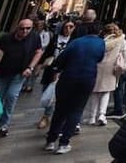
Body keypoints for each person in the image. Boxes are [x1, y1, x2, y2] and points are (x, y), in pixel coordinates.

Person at [44, 22, 105, 155]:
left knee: (60, 110)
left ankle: (50, 141)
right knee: (76, 110)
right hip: (87, 78)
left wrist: (57, 69)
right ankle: (64, 143)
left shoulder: (76, 42)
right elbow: (100, 58)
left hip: (68, 77)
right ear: (99, 32)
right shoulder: (101, 43)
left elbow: (61, 58)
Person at [0, 19, 43, 139]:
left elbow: (38, 52)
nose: (25, 31)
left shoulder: (34, 37)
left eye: (28, 28)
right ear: (17, 28)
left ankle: (3, 126)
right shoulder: (6, 38)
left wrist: (30, 67)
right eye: (22, 28)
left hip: (19, 74)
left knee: (11, 97)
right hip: (2, 73)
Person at [83, 23, 126, 126]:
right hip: (111, 68)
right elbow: (125, 54)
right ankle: (102, 115)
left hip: (98, 66)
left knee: (94, 92)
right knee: (106, 92)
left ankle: (92, 117)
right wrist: (124, 66)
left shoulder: (102, 41)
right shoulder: (121, 40)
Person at [36, 20, 76, 129]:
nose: (68, 29)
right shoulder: (55, 38)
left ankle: (57, 117)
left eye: (71, 27)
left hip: (65, 71)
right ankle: (47, 115)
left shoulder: (74, 41)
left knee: (62, 95)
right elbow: (47, 52)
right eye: (66, 26)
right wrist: (40, 65)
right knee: (47, 92)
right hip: (51, 69)